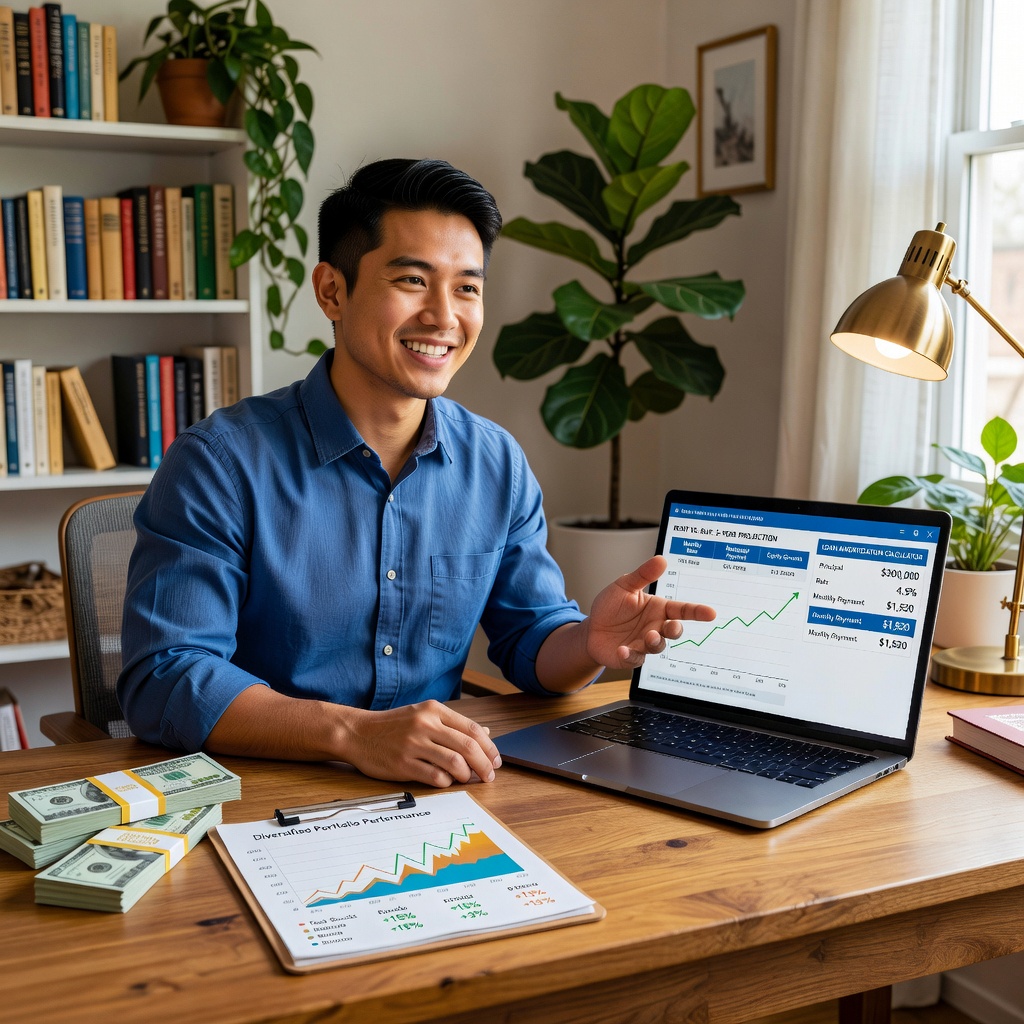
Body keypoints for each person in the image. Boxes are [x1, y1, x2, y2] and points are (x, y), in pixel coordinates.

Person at [118, 158, 715, 787]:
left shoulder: (495, 461)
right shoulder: (220, 461)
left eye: (467, 288)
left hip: (435, 793)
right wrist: (352, 734)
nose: (443, 317)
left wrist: (589, 642)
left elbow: (532, 640)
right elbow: (166, 674)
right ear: (332, 291)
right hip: (259, 793)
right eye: (412, 280)